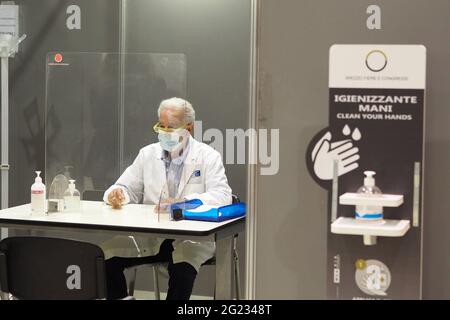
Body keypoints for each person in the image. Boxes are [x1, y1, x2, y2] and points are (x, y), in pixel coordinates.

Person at [102, 97, 232, 300]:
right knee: (104, 256)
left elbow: (223, 196)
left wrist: (184, 202)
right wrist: (118, 194)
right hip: (152, 234)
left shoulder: (208, 156)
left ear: (188, 127)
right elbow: (126, 186)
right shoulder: (147, 154)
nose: (164, 132)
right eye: (161, 126)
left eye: (171, 127)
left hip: (191, 239)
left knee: (181, 269)